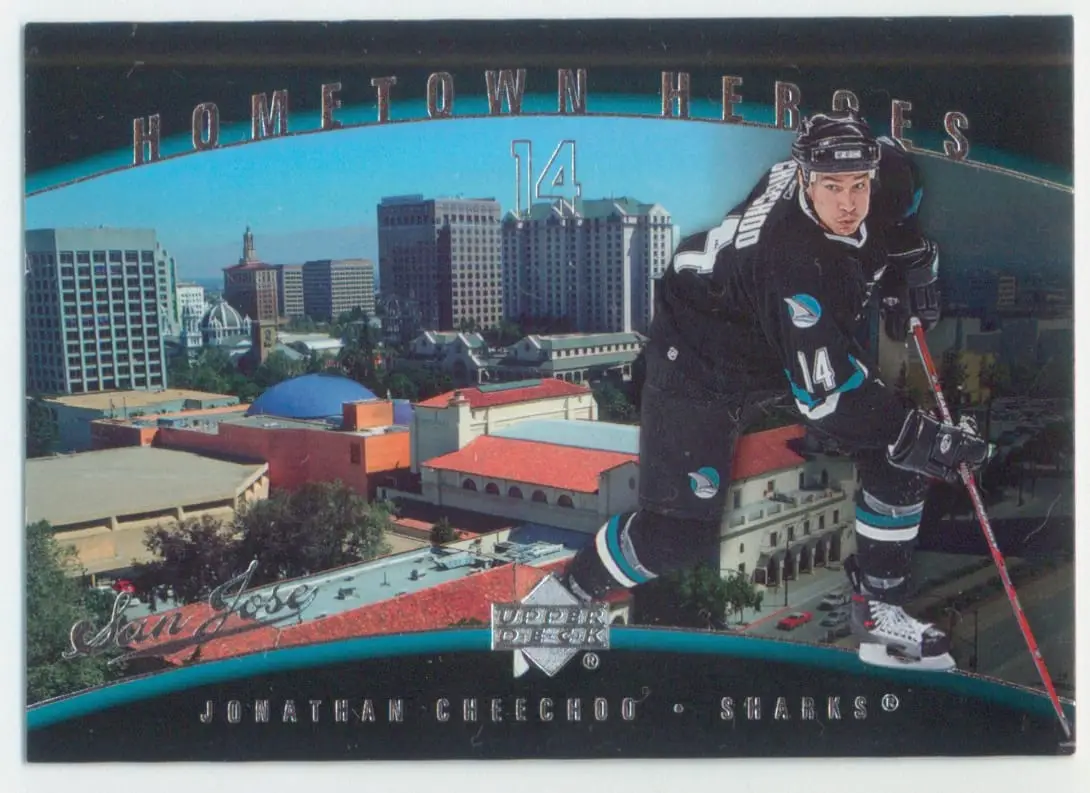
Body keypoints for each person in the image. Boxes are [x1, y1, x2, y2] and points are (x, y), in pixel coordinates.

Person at [563, 110, 989, 669]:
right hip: (701, 356)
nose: (848, 203)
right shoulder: (793, 264)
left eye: (858, 185)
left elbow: (896, 212)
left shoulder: (882, 174)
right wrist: (926, 439)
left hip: (771, 337)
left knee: (895, 453)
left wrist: (910, 263)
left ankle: (878, 614)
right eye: (832, 187)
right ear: (804, 178)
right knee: (676, 537)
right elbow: (829, 400)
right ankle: (566, 598)